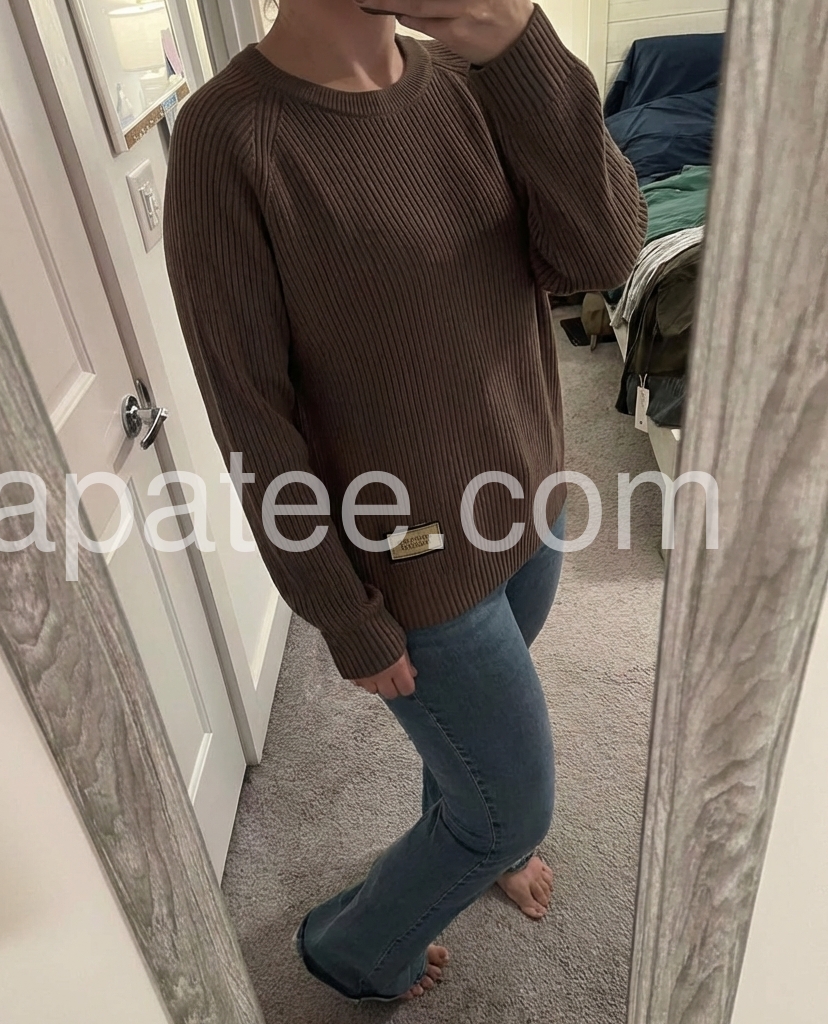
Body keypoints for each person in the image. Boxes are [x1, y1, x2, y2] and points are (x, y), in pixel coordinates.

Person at [164, 0, 646, 1004]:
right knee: (511, 811)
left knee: (474, 775)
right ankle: (348, 950)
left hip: (529, 501)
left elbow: (601, 257)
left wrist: (523, 51)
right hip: (413, 560)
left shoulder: (475, 76)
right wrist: (342, 612)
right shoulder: (229, 138)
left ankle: (467, 837)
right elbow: (252, 416)